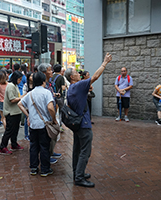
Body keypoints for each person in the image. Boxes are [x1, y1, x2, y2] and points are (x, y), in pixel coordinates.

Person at [64, 53, 112, 187]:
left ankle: (77, 173)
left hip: (77, 124)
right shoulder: (78, 86)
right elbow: (95, 77)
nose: (79, 73)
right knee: (85, 151)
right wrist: (104, 63)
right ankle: (79, 177)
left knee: (77, 150)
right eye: (76, 72)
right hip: (84, 124)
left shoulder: (71, 89)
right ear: (72, 77)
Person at [18, 71, 57, 177]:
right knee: (44, 146)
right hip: (44, 124)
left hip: (33, 124)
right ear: (44, 81)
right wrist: (53, 119)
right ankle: (45, 169)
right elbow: (50, 107)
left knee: (33, 146)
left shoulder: (30, 93)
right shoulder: (46, 92)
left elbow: (20, 103)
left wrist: (28, 115)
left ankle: (34, 168)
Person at [38, 63, 62, 165]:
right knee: (47, 136)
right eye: (49, 70)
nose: (51, 71)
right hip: (46, 114)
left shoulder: (50, 83)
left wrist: (55, 95)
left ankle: (51, 152)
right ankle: (47, 156)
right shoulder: (41, 85)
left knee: (53, 135)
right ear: (44, 73)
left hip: (52, 111)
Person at [0, 71, 24, 155]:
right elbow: (12, 99)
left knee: (15, 129)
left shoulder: (14, 85)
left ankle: (14, 144)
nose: (20, 81)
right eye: (19, 79)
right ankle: (2, 147)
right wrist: (22, 97)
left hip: (16, 111)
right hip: (11, 112)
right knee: (9, 130)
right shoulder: (10, 86)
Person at [22, 72, 34, 141]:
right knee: (27, 119)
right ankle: (26, 134)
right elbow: (24, 95)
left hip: (34, 106)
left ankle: (31, 134)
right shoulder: (26, 85)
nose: (32, 77)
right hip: (27, 105)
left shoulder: (36, 85)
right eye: (31, 76)